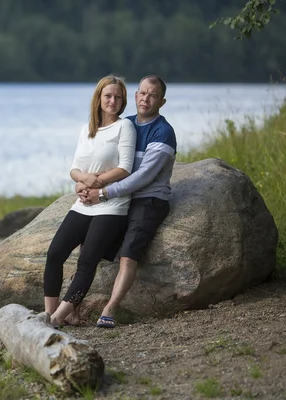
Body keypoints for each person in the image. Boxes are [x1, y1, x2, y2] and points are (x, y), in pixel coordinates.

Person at [81, 75, 177, 328]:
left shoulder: (163, 132)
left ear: (162, 101)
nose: (146, 98)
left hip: (148, 200)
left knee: (128, 253)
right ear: (135, 96)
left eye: (152, 95)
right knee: (91, 243)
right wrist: (86, 182)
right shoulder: (126, 125)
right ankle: (74, 305)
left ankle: (110, 309)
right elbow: (101, 156)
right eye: (142, 93)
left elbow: (143, 177)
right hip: (121, 196)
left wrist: (102, 193)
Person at [43, 75, 137, 328]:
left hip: (111, 205)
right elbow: (75, 168)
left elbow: (125, 168)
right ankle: (48, 314)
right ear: (98, 98)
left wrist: (96, 183)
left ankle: (57, 318)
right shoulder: (87, 129)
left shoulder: (124, 127)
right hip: (83, 203)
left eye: (118, 97)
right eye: (108, 96)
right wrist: (82, 180)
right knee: (54, 255)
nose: (113, 101)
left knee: (87, 262)